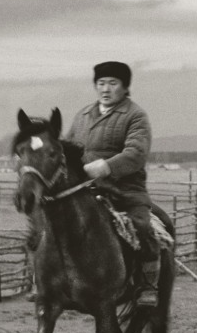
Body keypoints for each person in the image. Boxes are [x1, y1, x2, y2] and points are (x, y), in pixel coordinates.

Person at [65, 61, 162, 304]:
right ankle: (48, 280)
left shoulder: (135, 115)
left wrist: (107, 166)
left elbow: (137, 153)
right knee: (50, 224)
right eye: (101, 83)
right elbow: (67, 149)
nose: (105, 89)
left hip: (125, 190)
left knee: (142, 227)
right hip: (86, 189)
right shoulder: (83, 115)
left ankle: (147, 285)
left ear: (125, 87)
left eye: (112, 83)